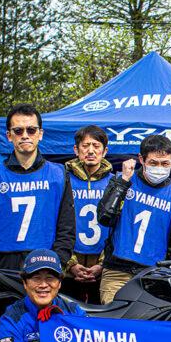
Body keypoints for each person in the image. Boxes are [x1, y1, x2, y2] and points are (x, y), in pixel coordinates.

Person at [0, 103, 75, 334]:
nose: (25, 135)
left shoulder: (58, 174)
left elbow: (66, 226)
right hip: (4, 263)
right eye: (18, 131)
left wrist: (58, 261)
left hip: (43, 262)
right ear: (9, 136)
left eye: (31, 130)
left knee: (45, 332)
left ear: (40, 134)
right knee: (2, 332)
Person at [96, 135, 171, 304]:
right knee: (114, 318)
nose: (159, 168)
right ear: (141, 159)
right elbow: (104, 217)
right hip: (117, 271)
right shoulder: (124, 179)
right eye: (154, 163)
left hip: (153, 275)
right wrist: (123, 182)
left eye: (165, 164)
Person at [63, 125, 113, 303]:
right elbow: (55, 222)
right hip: (69, 264)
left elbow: (119, 227)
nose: (91, 150)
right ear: (76, 150)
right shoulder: (63, 179)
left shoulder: (115, 183)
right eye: (85, 146)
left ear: (105, 151)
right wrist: (71, 264)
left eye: (96, 146)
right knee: (67, 313)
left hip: (102, 265)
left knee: (99, 315)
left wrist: (102, 264)